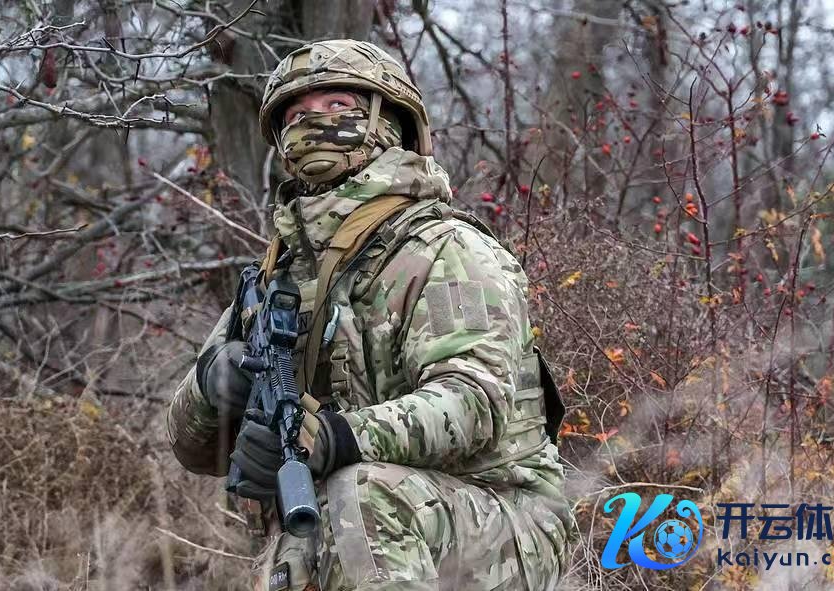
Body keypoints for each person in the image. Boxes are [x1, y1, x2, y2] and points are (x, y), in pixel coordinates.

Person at [167, 39, 573, 591]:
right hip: (346, 525)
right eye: (296, 115)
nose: (313, 123)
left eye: (337, 106)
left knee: (357, 496)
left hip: (504, 520)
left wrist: (335, 437)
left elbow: (474, 405)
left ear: (388, 122)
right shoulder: (277, 276)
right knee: (299, 543)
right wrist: (214, 386)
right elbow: (190, 448)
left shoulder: (445, 249)